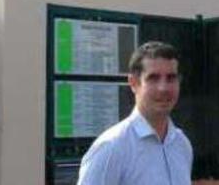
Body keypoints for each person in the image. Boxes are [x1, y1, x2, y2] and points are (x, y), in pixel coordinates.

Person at [77, 41, 193, 185]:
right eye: (153, 78)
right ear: (133, 83)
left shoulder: (181, 144)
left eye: (171, 78)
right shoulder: (111, 148)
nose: (163, 88)